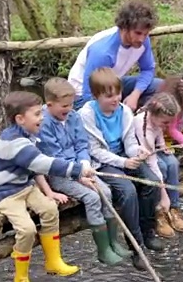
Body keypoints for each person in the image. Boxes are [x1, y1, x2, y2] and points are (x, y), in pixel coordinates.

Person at [0, 91, 83, 282]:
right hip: (4, 193)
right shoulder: (13, 142)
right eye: (37, 114)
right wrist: (77, 170)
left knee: (49, 209)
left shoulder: (27, 136)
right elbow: (42, 164)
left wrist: (49, 192)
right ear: (20, 119)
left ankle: (53, 261)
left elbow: (34, 168)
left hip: (24, 187)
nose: (42, 118)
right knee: (27, 229)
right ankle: (21, 278)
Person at [38, 77, 131, 266]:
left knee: (105, 191)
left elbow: (82, 144)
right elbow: (55, 158)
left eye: (72, 104)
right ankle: (103, 250)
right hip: (60, 174)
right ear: (50, 104)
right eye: (65, 106)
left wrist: (85, 164)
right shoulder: (44, 124)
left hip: (80, 169)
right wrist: (79, 176)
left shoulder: (73, 116)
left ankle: (113, 242)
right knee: (93, 197)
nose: (69, 109)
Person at [78, 67, 163, 271]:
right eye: (109, 96)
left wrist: (137, 152)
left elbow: (129, 141)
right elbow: (95, 151)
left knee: (152, 183)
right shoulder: (86, 115)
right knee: (128, 191)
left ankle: (147, 230)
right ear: (96, 95)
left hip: (124, 157)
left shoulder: (124, 110)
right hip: (104, 163)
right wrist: (123, 163)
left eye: (118, 93)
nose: (115, 99)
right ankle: (136, 246)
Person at [68, 0, 162, 111]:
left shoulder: (143, 41)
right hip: (83, 94)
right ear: (124, 28)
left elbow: (148, 69)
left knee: (159, 86)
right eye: (137, 33)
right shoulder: (103, 51)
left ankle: (141, 119)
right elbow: (89, 93)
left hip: (114, 84)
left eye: (145, 34)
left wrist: (135, 95)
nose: (142, 39)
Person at [133, 92, 183, 239]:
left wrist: (163, 146)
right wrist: (164, 195)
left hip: (152, 149)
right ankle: (160, 210)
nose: (168, 126)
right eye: (166, 123)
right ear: (153, 114)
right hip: (141, 154)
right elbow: (152, 163)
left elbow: (159, 132)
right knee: (162, 167)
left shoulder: (157, 120)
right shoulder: (143, 127)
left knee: (173, 162)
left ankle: (174, 208)